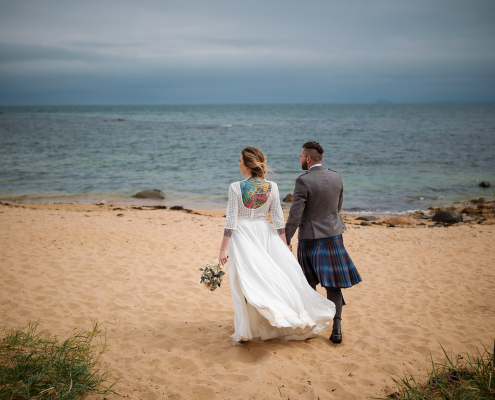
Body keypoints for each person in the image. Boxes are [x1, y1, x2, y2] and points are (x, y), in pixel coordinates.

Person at [218, 147, 336, 342]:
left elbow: (231, 221)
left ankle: (249, 328)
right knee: (268, 277)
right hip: (264, 234)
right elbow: (279, 221)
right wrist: (283, 245)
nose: (238, 163)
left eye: (240, 160)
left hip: (243, 236)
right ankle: (263, 322)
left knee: (245, 281)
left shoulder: (235, 187)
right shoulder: (272, 187)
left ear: (248, 165)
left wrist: (223, 248)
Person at [285, 142, 362, 344]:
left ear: (308, 159)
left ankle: (312, 326)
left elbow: (295, 214)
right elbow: (338, 207)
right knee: (333, 284)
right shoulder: (336, 176)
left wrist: (287, 238)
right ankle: (337, 328)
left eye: (301, 156)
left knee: (309, 284)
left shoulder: (303, 181)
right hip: (334, 236)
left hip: (310, 239)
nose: (300, 159)